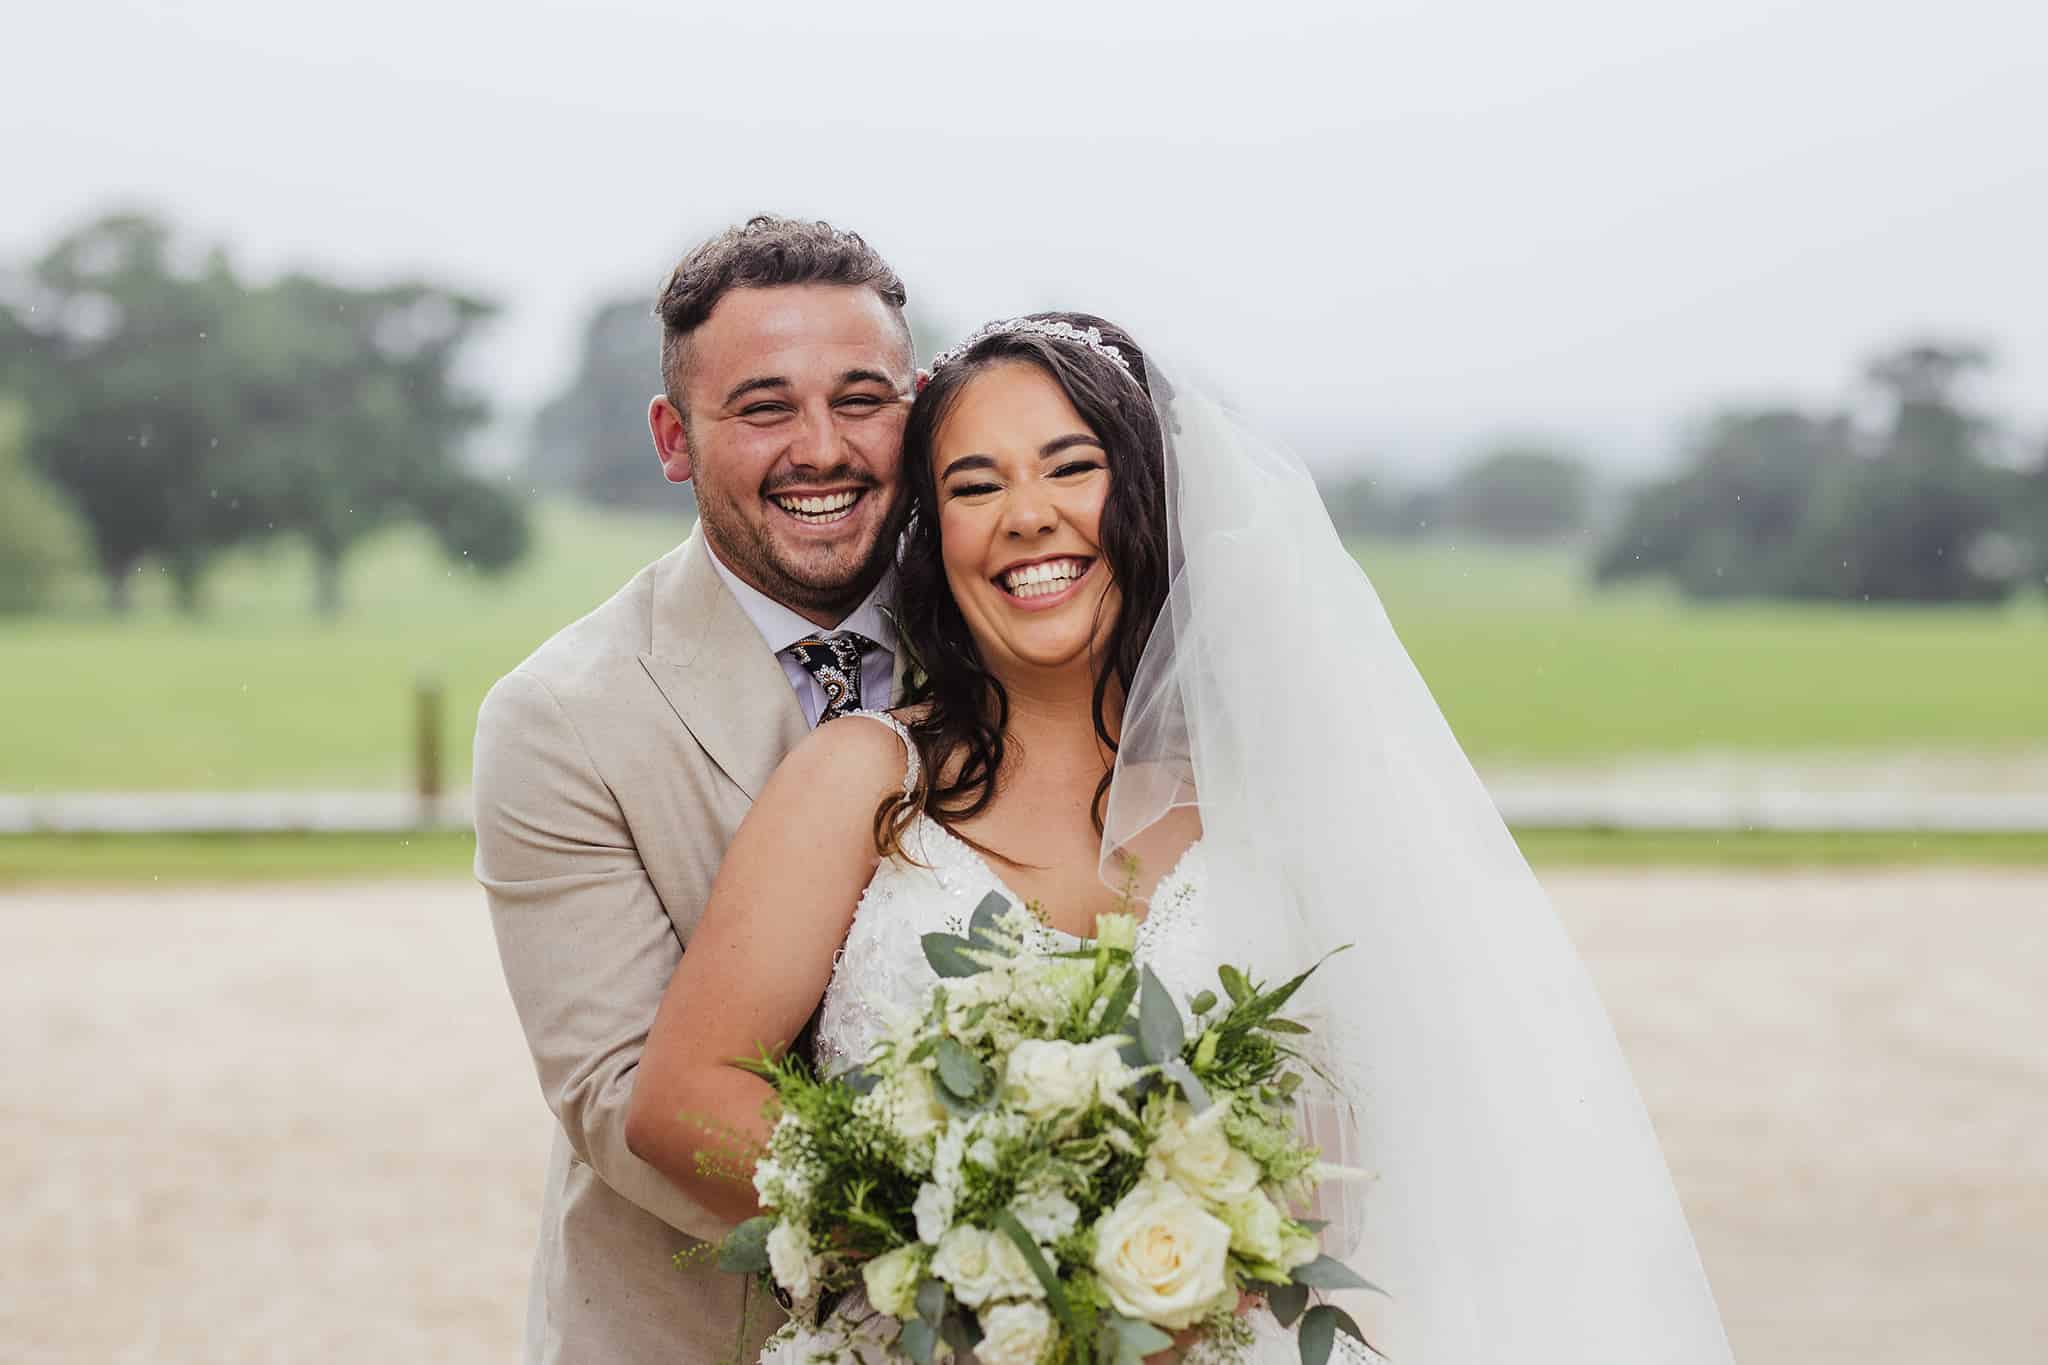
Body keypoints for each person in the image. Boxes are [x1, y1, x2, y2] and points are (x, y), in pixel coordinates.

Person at [627, 312, 1739, 1363]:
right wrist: (985, 1261)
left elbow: (1372, 1133)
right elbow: (681, 1099)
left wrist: (1196, 1260)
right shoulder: (863, 781)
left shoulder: (1275, 800)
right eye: (975, 484)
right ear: (935, 534)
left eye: (1070, 468)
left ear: (1149, 500)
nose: (1026, 515)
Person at [473, 215, 917, 1365]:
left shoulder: (1024, 636)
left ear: (915, 410)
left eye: (861, 400)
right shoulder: (558, 716)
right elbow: (619, 1097)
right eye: (764, 409)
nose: (821, 448)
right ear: (674, 438)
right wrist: (972, 1243)